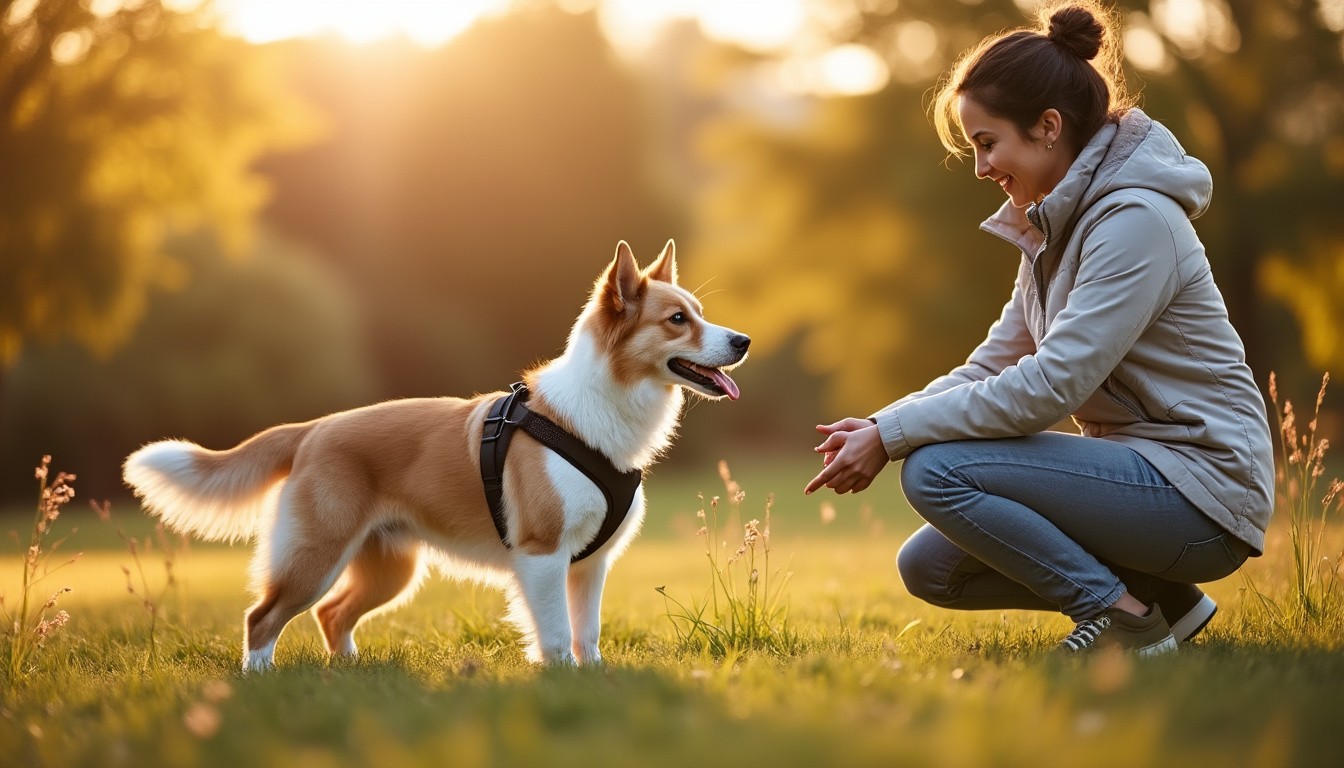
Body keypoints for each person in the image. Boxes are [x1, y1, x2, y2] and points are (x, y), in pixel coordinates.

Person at [802, 2, 1274, 655]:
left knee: (936, 471)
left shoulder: (1134, 223)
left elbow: (1049, 387)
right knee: (931, 567)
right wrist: (879, 424)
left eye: (987, 143)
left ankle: (1118, 618)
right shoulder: (1055, 235)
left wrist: (896, 438)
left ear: (1048, 127)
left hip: (1203, 491)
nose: (980, 168)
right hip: (1142, 478)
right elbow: (990, 366)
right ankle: (1165, 600)